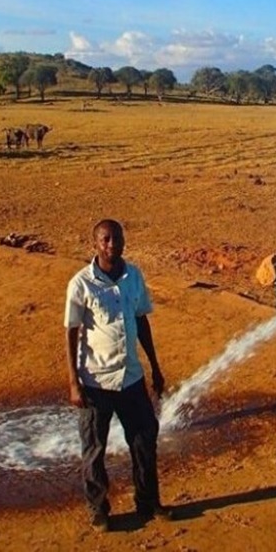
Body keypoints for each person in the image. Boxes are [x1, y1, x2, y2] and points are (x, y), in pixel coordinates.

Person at [65, 218, 171, 531]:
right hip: (95, 382)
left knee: (144, 439)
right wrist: (73, 382)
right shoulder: (81, 283)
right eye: (106, 239)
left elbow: (141, 321)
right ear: (96, 243)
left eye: (117, 238)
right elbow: (71, 332)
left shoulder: (133, 276)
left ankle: (149, 502)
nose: (113, 244)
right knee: (94, 449)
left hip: (131, 378)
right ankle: (98, 510)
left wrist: (155, 366)